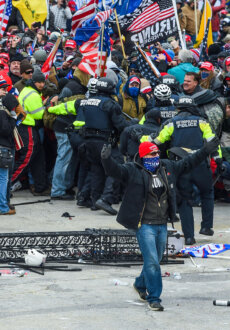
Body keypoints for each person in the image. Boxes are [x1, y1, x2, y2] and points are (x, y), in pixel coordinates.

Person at [101, 138, 220, 311]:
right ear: (143, 156)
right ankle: (154, 297)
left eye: (157, 152)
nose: (156, 156)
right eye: (152, 153)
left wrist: (205, 150)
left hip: (162, 223)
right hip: (144, 225)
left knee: (154, 259)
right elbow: (115, 171)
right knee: (152, 262)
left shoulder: (167, 167)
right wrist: (106, 159)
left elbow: (189, 162)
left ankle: (140, 285)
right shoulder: (133, 170)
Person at [147, 96, 220, 245]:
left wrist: (145, 139)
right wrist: (218, 160)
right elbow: (212, 141)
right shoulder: (202, 122)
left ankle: (189, 237)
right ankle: (206, 227)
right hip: (200, 165)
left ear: (178, 108)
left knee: (184, 201)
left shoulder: (171, 123)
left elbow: (157, 141)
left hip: (180, 167)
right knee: (207, 194)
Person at [73, 77, 129, 215]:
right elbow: (120, 125)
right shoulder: (110, 104)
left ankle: (95, 200)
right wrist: (133, 125)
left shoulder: (86, 102)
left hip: (88, 141)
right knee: (116, 167)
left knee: (96, 170)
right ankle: (107, 198)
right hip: (105, 141)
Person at [12, 69, 49, 196]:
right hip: (27, 127)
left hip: (25, 126)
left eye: (43, 82)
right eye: (39, 82)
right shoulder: (33, 94)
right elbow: (39, 114)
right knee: (26, 158)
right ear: (34, 82)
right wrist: (49, 106)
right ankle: (6, 182)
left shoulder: (27, 90)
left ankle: (40, 186)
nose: (42, 85)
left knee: (38, 158)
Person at [0, 94, 18, 215]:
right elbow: (6, 131)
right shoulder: (2, 114)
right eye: (14, 107)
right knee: (2, 179)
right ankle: (1, 207)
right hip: (2, 149)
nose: (14, 109)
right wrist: (13, 119)